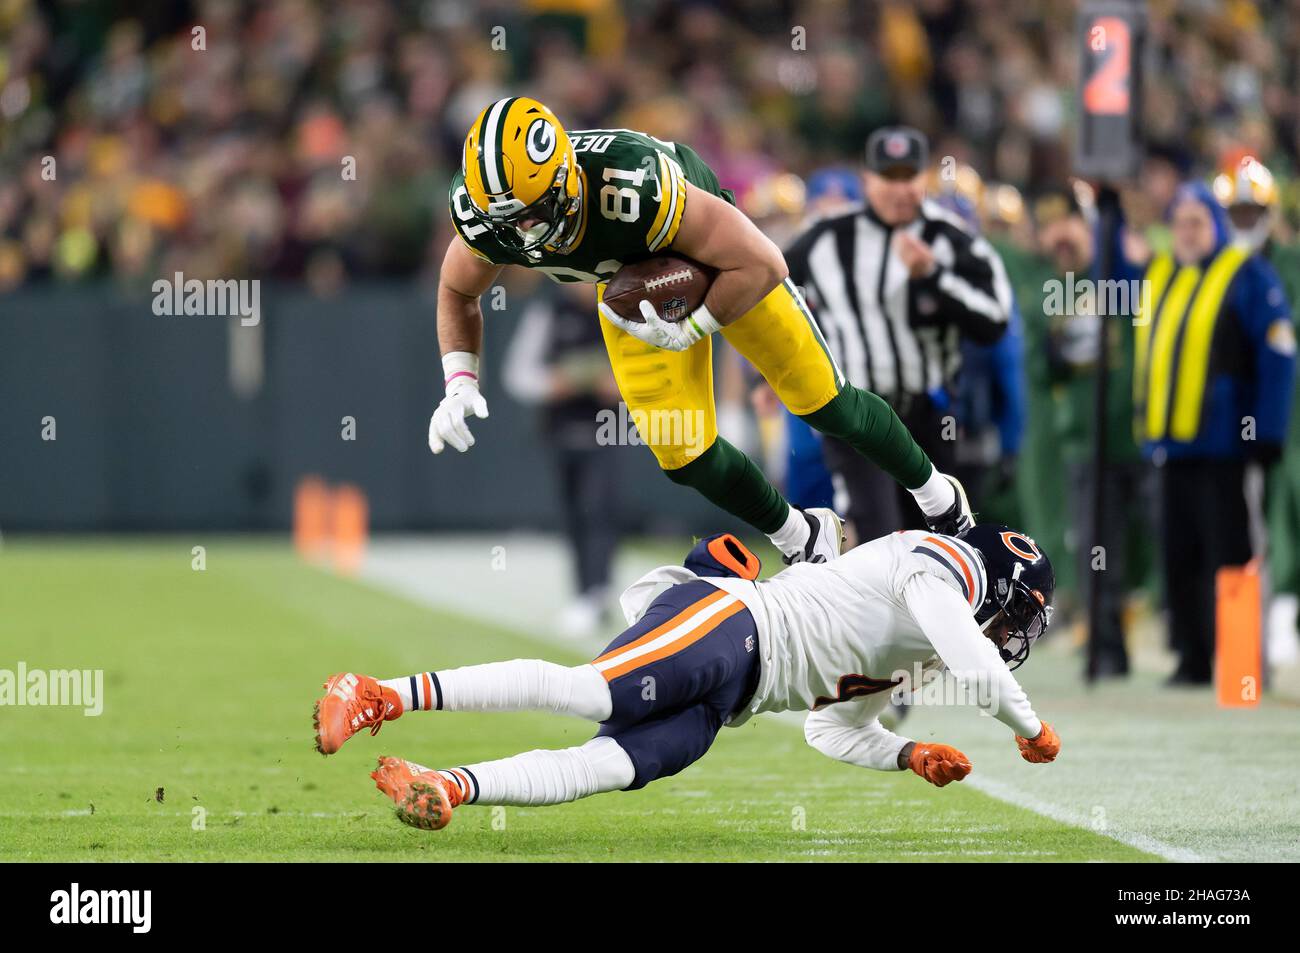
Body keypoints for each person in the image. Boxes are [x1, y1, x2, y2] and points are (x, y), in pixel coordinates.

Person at [428, 98, 973, 567]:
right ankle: (802, 535)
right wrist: (460, 380)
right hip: (628, 286)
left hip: (710, 258)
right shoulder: (486, 214)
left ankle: (937, 494)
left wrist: (695, 325)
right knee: (682, 454)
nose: (527, 232)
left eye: (536, 211)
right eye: (511, 221)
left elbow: (764, 262)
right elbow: (458, 290)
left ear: (566, 177)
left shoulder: (632, 186)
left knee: (824, 403)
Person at [313, 524, 1061, 830]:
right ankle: (379, 690)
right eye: (1021, 610)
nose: (1017, 630)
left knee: (603, 766)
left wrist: (903, 752)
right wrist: (1031, 729)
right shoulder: (944, 567)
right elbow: (982, 669)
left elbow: (827, 725)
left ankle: (444, 782)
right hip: (733, 623)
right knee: (592, 690)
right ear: (995, 582)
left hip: (734, 697)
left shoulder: (932, 644)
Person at [783, 127, 1012, 545]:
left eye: (909, 176)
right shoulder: (824, 239)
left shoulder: (951, 239)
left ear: (924, 178)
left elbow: (995, 319)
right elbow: (771, 297)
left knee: (937, 545)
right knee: (878, 539)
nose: (899, 188)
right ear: (867, 179)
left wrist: (934, 277)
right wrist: (764, 375)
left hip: (932, 414)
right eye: (888, 176)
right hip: (856, 415)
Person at [1131, 183, 1295, 684]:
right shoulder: (1160, 275)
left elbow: (1278, 354)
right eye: (1180, 221)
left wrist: (1265, 431)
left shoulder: (1247, 275)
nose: (1188, 231)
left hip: (1228, 446)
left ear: (1215, 226)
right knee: (1179, 555)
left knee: (1233, 555)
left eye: (1198, 221)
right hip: (1170, 447)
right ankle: (1193, 657)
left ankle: (1243, 663)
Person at [502, 280, 622, 637]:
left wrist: (617, 387)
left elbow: (648, 373)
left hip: (607, 432)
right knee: (573, 516)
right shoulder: (549, 311)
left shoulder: (620, 312)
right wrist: (555, 382)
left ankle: (597, 592)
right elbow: (519, 374)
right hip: (561, 432)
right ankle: (583, 594)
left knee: (599, 509)